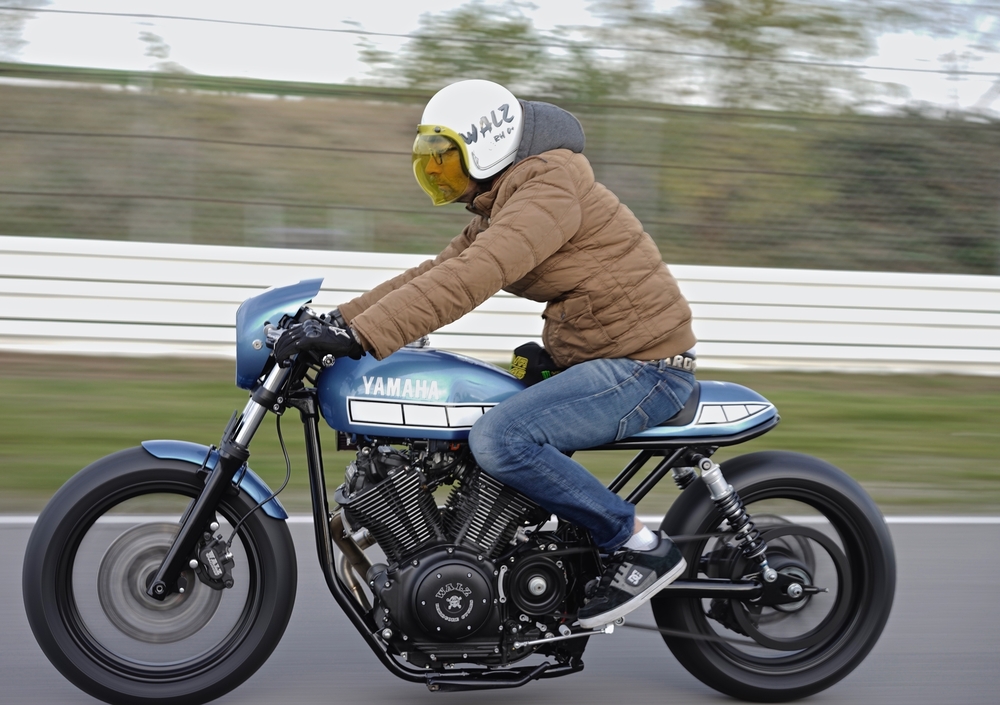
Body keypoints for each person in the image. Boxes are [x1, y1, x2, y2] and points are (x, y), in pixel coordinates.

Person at [274, 79, 697, 629]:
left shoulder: (549, 189)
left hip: (646, 369)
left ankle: (638, 545)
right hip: (601, 359)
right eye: (431, 158)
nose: (436, 170)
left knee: (501, 438)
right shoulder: (509, 200)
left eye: (446, 157)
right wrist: (336, 321)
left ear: (486, 146)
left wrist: (362, 335)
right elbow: (435, 272)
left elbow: (475, 275)